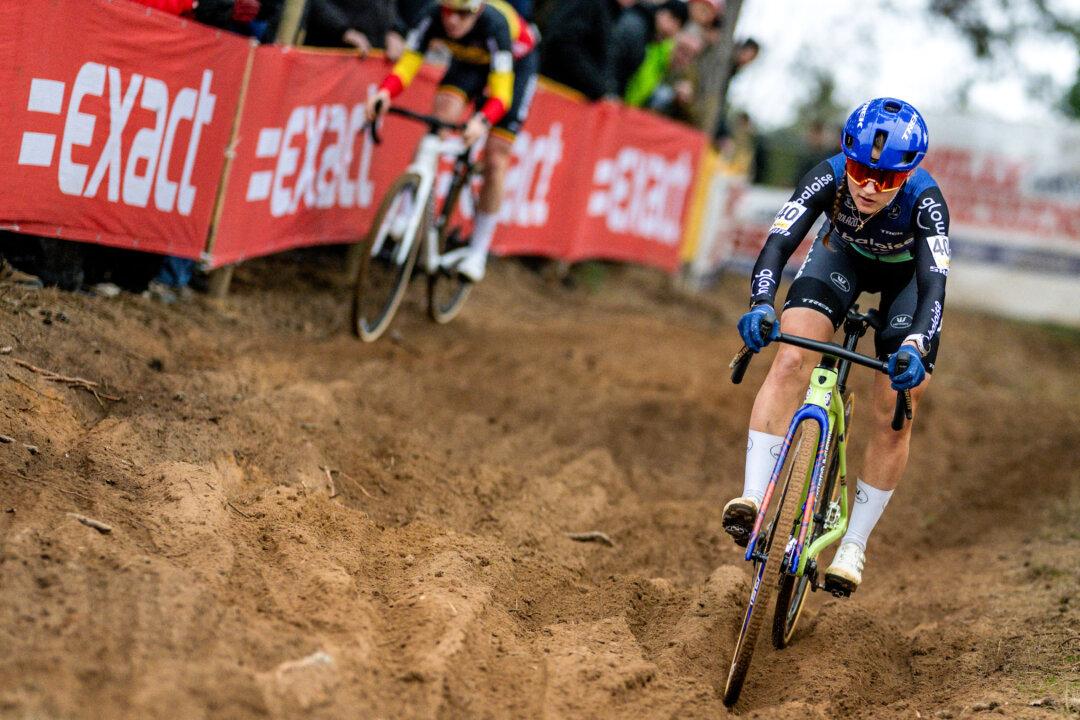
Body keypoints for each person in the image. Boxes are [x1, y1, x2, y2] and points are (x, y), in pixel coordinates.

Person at [722, 98, 951, 591]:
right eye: (861, 171)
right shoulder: (825, 175)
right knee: (791, 356)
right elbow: (778, 244)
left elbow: (934, 287)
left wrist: (917, 343)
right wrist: (762, 301)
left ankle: (854, 544)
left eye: (886, 179)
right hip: (840, 257)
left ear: (908, 175)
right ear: (845, 158)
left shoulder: (928, 203)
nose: (869, 186)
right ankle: (754, 498)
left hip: (906, 285)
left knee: (898, 401)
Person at [366, 0, 538, 282]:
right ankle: (408, 212)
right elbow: (409, 64)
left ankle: (477, 252)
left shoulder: (494, 24)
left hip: (515, 67)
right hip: (469, 61)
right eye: (448, 10)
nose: (452, 21)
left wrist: (481, 121)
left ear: (477, 11)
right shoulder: (431, 15)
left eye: (462, 14)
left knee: (496, 156)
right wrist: (384, 93)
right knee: (440, 119)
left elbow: (502, 95)